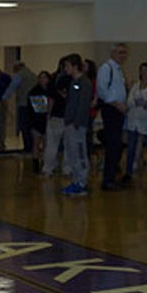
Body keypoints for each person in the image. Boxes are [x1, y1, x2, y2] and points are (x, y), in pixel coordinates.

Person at [97, 42, 129, 190]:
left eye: (124, 53)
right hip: (111, 109)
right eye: (119, 52)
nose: (122, 56)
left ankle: (111, 177)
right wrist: (117, 104)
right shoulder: (106, 69)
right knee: (112, 144)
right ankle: (108, 180)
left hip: (118, 110)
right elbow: (103, 91)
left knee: (116, 145)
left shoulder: (118, 70)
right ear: (112, 53)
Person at [121, 62, 147, 184]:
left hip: (146, 120)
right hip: (134, 120)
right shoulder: (135, 86)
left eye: (146, 70)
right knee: (131, 147)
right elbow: (130, 101)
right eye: (141, 70)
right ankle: (128, 172)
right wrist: (136, 103)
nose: (143, 73)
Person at [61, 53, 92, 197]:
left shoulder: (84, 83)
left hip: (77, 125)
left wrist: (77, 122)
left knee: (80, 153)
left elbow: (83, 104)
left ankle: (82, 183)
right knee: (71, 154)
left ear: (74, 66)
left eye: (67, 66)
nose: (65, 68)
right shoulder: (73, 82)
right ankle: (76, 181)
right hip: (69, 123)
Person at [41, 57, 71, 177]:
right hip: (67, 116)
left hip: (56, 116)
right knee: (68, 145)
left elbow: (51, 99)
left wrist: (48, 113)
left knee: (51, 144)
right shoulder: (71, 79)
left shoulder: (53, 78)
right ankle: (67, 169)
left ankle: (48, 168)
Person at [2, 60, 37, 153]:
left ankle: (27, 148)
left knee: (24, 127)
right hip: (35, 106)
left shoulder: (19, 75)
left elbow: (12, 87)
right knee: (32, 128)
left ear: (17, 67)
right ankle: (34, 147)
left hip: (24, 104)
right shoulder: (33, 75)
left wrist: (4, 97)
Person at [27, 70, 51, 172]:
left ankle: (46, 163)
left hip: (47, 120)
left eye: (44, 77)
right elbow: (34, 108)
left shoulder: (51, 90)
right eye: (40, 77)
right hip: (36, 120)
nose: (42, 79)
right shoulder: (34, 91)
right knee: (36, 143)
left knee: (47, 143)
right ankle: (36, 165)